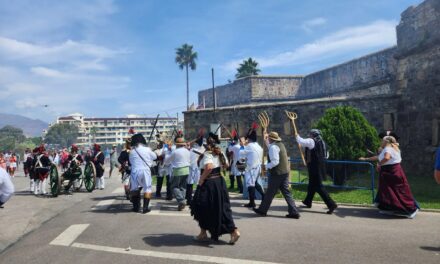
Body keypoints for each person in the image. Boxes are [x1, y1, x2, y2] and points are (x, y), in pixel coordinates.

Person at [191, 132, 240, 244]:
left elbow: (209, 167)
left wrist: (201, 179)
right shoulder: (220, 152)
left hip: (209, 183)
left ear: (207, 144)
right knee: (221, 207)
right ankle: (206, 232)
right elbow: (226, 165)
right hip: (219, 182)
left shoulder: (208, 154)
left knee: (200, 206)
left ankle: (207, 232)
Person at [360, 136, 418, 218]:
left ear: (386, 142)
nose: (381, 142)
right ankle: (389, 208)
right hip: (394, 171)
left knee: (395, 192)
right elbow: (379, 157)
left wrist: (379, 164)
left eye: (382, 141)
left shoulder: (388, 149)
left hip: (390, 171)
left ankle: (409, 209)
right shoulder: (393, 148)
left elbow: (387, 158)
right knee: (391, 191)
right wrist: (366, 159)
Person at [254, 132, 301, 219]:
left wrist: (265, 166)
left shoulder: (273, 147)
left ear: (271, 139)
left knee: (269, 193)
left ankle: (262, 210)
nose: (268, 139)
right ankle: (294, 212)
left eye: (268, 138)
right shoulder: (280, 144)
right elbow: (271, 149)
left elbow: (275, 161)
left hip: (277, 173)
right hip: (285, 172)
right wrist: (265, 141)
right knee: (286, 193)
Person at [296, 129, 337, 214]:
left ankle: (331, 204)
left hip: (315, 167)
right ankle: (308, 201)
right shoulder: (321, 142)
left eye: (310, 134)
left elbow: (301, 141)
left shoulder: (312, 141)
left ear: (313, 135)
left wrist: (297, 135)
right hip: (318, 166)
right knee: (311, 185)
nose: (309, 135)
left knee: (319, 187)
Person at [129, 133, 157, 213]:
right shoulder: (147, 149)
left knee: (134, 189)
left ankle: (136, 207)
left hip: (135, 172)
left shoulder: (132, 151)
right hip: (145, 171)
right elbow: (155, 157)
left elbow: (131, 162)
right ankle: (145, 208)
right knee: (147, 189)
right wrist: (150, 150)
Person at [240, 123, 265, 208]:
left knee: (251, 184)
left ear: (249, 138)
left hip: (251, 168)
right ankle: (264, 196)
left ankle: (252, 202)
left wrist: (242, 145)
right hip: (257, 168)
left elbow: (241, 154)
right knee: (255, 183)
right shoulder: (258, 146)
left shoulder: (249, 146)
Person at [165, 136, 191, 211]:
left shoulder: (175, 151)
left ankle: (181, 201)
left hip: (178, 170)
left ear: (177, 144)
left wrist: (167, 152)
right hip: (186, 169)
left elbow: (167, 161)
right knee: (183, 187)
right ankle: (181, 201)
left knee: (173, 187)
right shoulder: (187, 151)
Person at [187, 134, 204, 205]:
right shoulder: (203, 150)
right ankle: (198, 198)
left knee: (189, 184)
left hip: (191, 168)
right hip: (198, 169)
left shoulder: (191, 150)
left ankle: (189, 199)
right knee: (198, 184)